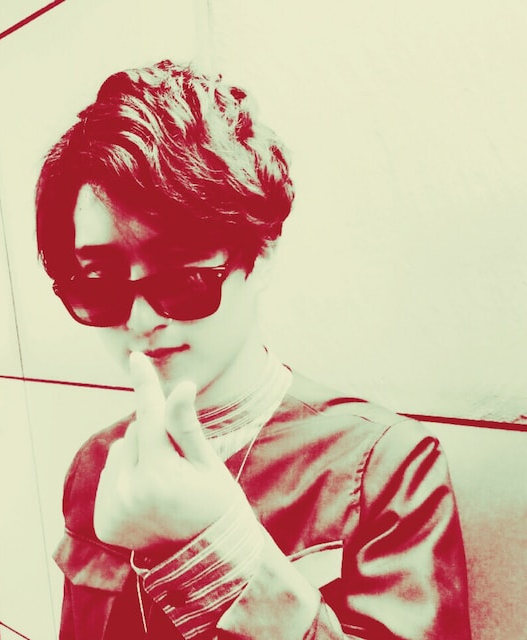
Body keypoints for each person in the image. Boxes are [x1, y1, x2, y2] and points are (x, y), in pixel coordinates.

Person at [35, 59, 471, 639]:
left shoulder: (383, 469)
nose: (141, 320)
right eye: (99, 285)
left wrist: (216, 549)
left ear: (260, 255)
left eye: (183, 279)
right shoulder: (98, 465)